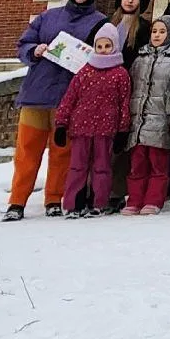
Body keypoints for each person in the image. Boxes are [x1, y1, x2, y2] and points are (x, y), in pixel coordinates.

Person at [2, 0, 108, 221]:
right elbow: (23, 44)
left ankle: (53, 198)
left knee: (62, 152)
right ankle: (17, 201)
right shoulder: (48, 17)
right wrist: (34, 50)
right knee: (27, 150)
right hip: (36, 94)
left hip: (70, 98)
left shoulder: (101, 23)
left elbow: (102, 56)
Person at [54, 24, 132, 218]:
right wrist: (61, 123)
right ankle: (74, 203)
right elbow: (70, 98)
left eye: (107, 46)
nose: (103, 50)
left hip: (106, 129)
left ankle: (99, 201)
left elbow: (124, 103)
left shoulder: (120, 74)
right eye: (100, 46)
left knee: (102, 167)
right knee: (77, 166)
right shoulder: (85, 71)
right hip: (81, 127)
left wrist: (123, 129)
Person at [124, 15, 170, 215]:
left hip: (161, 120)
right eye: (154, 31)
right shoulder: (140, 59)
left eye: (162, 32)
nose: (157, 35)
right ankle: (135, 199)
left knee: (157, 164)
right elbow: (131, 88)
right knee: (137, 163)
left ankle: (154, 199)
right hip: (139, 120)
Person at [104, 0, 151, 211]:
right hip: (101, 93)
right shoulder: (105, 25)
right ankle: (95, 189)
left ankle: (115, 192)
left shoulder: (143, 29)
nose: (130, 1)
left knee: (122, 141)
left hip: (128, 90)